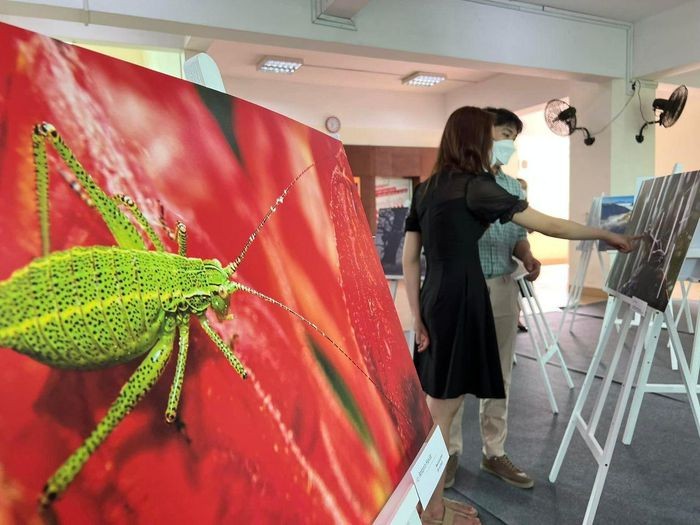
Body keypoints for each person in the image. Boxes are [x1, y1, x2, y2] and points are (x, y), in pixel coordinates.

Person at [403, 106, 635, 525]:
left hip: (435, 298)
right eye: (492, 137)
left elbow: (409, 259)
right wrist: (603, 233)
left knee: (436, 407)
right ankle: (432, 510)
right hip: (463, 299)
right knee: (441, 414)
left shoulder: (427, 188)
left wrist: (416, 317)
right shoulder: (476, 187)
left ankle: (431, 500)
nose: (498, 145)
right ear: (476, 139)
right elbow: (547, 224)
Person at [444, 108, 536, 491]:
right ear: (484, 134)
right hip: (461, 289)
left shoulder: (515, 188)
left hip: (501, 286)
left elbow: (520, 231)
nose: (509, 143)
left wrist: (526, 253)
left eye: (514, 136)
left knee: (500, 374)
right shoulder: (455, 184)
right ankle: (447, 454)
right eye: (503, 133)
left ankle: (494, 451)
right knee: (453, 377)